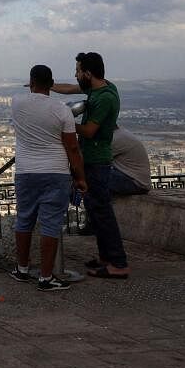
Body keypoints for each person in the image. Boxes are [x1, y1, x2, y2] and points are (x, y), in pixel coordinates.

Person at [8, 65, 86, 291]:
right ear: (52, 84)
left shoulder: (17, 102)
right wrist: (80, 178)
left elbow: (29, 98)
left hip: (25, 171)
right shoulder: (61, 110)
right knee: (50, 224)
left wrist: (32, 86)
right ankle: (45, 276)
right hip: (55, 171)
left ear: (31, 82)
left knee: (24, 219)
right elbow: (72, 148)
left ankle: (22, 269)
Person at [53, 52, 130, 279]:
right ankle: (107, 259)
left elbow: (89, 131)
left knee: (103, 213)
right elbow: (69, 88)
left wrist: (65, 123)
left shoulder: (104, 97)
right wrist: (47, 86)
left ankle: (118, 262)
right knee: (96, 213)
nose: (75, 75)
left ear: (88, 73)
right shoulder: (97, 89)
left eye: (78, 71)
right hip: (91, 159)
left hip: (97, 159)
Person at [75, 127, 150, 234]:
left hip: (135, 182)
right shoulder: (120, 134)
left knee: (93, 179)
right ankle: (95, 222)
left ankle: (94, 224)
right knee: (95, 177)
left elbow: (91, 158)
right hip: (133, 179)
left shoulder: (114, 139)